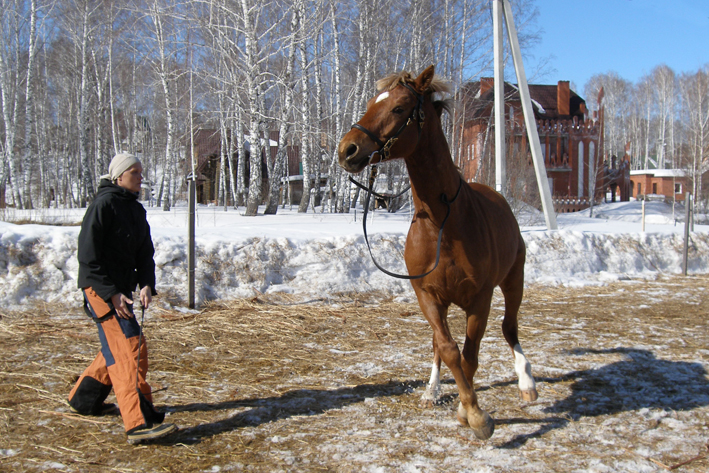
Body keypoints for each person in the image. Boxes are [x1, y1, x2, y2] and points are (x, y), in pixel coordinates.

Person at [68, 153, 177, 444]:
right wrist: (112, 294)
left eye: (141, 171)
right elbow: (88, 259)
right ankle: (138, 423)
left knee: (123, 346)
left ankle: (83, 399)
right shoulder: (102, 205)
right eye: (135, 172)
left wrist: (145, 284)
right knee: (127, 350)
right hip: (100, 289)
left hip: (120, 291)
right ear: (118, 176)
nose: (141, 177)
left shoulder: (136, 210)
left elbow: (144, 254)